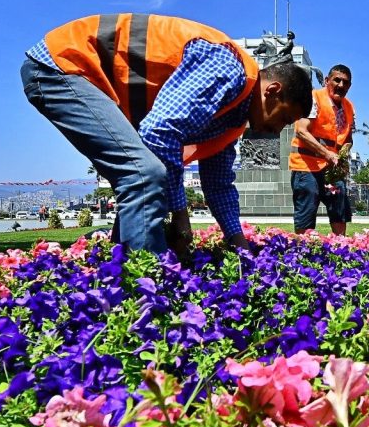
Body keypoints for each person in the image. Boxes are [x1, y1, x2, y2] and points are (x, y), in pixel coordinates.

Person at [21, 13, 314, 255]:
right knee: (144, 174)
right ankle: (144, 291)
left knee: (142, 176)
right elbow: (159, 132)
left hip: (79, 74)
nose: (279, 131)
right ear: (273, 92)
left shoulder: (233, 117)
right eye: (285, 118)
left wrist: (239, 245)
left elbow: (219, 185)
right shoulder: (229, 71)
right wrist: (181, 217)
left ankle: (116, 269)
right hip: (63, 66)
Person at [288, 65, 355, 235]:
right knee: (306, 213)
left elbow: (347, 139)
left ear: (349, 86)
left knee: (339, 206)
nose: (340, 85)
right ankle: (302, 251)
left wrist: (343, 156)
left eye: (345, 82)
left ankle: (341, 247)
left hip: (331, 168)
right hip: (307, 166)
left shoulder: (349, 107)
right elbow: (302, 131)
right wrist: (327, 154)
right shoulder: (314, 98)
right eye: (336, 80)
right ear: (327, 81)